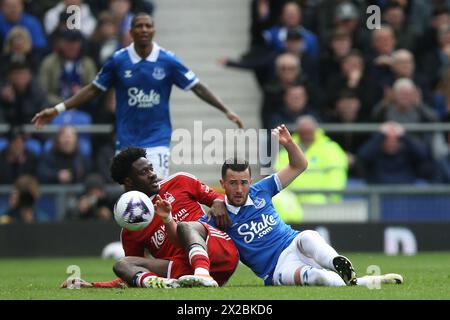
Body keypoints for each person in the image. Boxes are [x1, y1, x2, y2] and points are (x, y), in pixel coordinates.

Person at [32, 13, 244, 179]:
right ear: (131, 32)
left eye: (148, 26)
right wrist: (58, 109)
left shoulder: (167, 60)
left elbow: (197, 86)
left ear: (153, 30)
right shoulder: (118, 61)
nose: (144, 29)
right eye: (139, 26)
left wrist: (226, 110)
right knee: (132, 198)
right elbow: (94, 88)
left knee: (155, 192)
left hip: (157, 139)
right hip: (126, 139)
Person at [203, 124, 403, 287]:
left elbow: (299, 166)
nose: (239, 189)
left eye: (244, 182)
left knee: (309, 236)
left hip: (293, 243)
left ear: (250, 181)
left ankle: (337, 262)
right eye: (232, 183)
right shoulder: (217, 216)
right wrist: (170, 218)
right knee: (319, 278)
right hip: (276, 269)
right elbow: (189, 232)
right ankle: (365, 281)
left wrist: (289, 143)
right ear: (222, 184)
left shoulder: (261, 190)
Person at [61, 147, 239, 289]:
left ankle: (202, 274)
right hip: (181, 271)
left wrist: (217, 201)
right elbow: (133, 272)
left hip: (217, 252)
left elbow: (222, 200)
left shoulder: (180, 181)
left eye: (151, 168)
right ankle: (164, 285)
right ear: (129, 181)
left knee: (185, 226)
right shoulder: (131, 227)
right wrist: (93, 286)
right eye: (144, 172)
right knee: (121, 265)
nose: (152, 174)